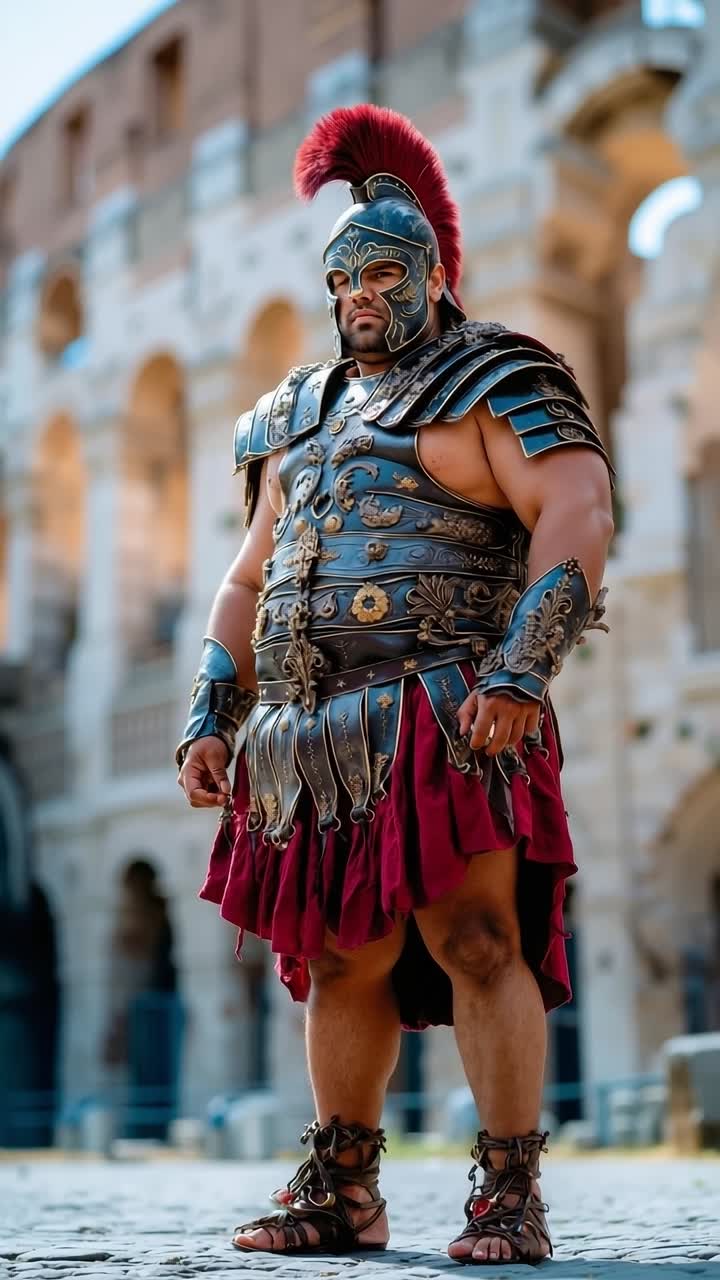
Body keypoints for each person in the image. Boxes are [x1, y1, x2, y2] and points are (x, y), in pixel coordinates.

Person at [177, 104, 614, 1264]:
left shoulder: (494, 378)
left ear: (433, 273)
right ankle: (344, 1185)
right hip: (306, 731)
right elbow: (246, 574)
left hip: (452, 703)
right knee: (335, 955)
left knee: (476, 936)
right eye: (344, 277)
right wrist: (210, 706)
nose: (361, 293)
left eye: (384, 270)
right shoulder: (294, 417)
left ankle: (510, 1191)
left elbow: (574, 513)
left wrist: (524, 666)